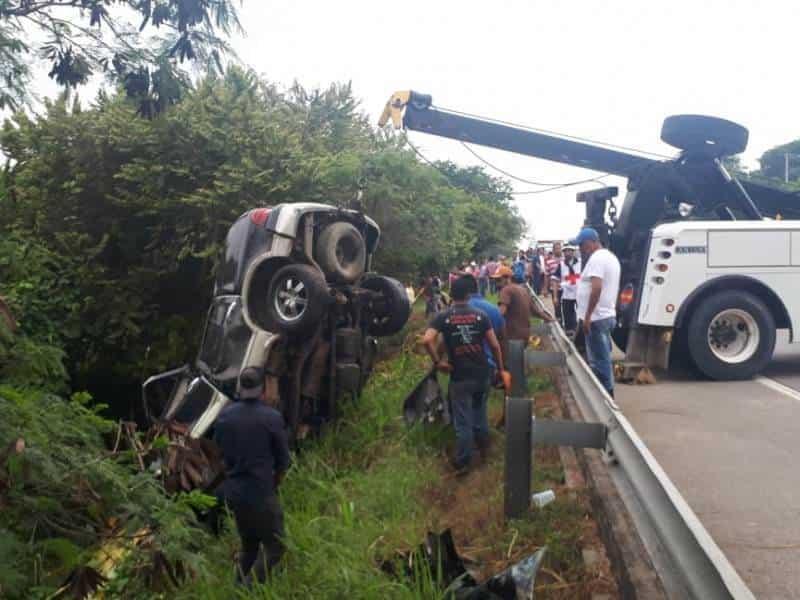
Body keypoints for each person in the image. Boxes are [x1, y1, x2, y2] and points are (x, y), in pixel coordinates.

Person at [214, 366, 291, 584]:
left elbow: (219, 453)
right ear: (262, 388)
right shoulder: (271, 417)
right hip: (260, 491)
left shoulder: (225, 416)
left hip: (235, 494)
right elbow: (283, 460)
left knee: (249, 548)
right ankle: (247, 590)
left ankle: (237, 589)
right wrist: (274, 484)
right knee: (276, 547)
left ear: (240, 387)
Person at [422, 276, 505, 475]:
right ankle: (484, 451)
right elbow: (494, 345)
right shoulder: (480, 315)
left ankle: (463, 462)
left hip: (459, 376)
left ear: (451, 295)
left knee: (462, 421)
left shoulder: (444, 316)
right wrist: (501, 369)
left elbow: (426, 340)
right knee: (480, 413)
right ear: (468, 294)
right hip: (482, 373)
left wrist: (438, 362)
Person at [570, 227, 620, 396]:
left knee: (599, 360)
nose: (580, 249)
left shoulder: (597, 259)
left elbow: (596, 288)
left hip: (596, 318)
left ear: (592, 243)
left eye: (582, 245)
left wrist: (588, 316)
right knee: (602, 355)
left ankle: (607, 395)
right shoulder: (610, 257)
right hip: (606, 315)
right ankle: (606, 391)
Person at [492, 265, 554, 351]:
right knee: (519, 361)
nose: (496, 283)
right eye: (495, 280)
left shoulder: (506, 290)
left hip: (512, 336)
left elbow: (500, 313)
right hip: (525, 335)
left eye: (498, 280)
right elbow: (536, 311)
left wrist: (488, 322)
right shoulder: (523, 290)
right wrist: (550, 319)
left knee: (511, 362)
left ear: (508, 278)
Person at [557, 245, 581, 335]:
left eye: (569, 251)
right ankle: (569, 332)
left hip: (579, 292)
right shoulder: (561, 265)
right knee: (567, 313)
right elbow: (555, 278)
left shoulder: (581, 263)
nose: (567, 253)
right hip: (567, 293)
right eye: (565, 251)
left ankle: (579, 331)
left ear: (573, 252)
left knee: (580, 313)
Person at [548, 242, 564, 321]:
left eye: (559, 248)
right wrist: (545, 288)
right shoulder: (549, 262)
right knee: (557, 306)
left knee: (565, 307)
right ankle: (559, 323)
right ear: (553, 250)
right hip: (554, 288)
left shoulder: (565, 260)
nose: (558, 250)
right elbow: (547, 275)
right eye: (556, 249)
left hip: (564, 288)